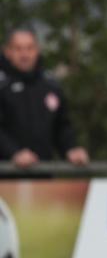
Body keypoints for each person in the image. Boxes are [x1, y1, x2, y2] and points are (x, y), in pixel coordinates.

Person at [0, 27, 89, 168]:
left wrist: (71, 149)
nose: (25, 54)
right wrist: (14, 153)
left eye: (30, 48)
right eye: (18, 48)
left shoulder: (50, 86)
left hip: (43, 179)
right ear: (7, 51)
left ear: (37, 50)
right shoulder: (2, 86)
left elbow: (62, 126)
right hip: (6, 177)